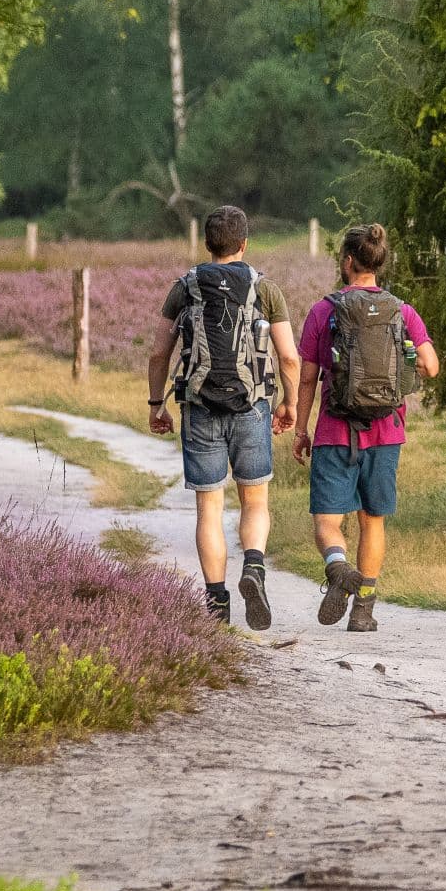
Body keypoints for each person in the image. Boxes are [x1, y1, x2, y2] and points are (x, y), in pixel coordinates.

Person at [147, 205, 298, 628]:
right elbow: (289, 356)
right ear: (244, 244)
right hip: (252, 406)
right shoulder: (265, 289)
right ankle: (253, 566)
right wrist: (290, 404)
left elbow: (160, 353)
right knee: (255, 500)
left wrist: (156, 404)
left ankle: (216, 605)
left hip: (199, 407)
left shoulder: (185, 287)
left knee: (209, 509)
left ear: (208, 244)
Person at [291, 222, 439, 634]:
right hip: (386, 431)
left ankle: (338, 568)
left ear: (348, 261)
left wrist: (300, 428)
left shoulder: (324, 310)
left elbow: (306, 377)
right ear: (380, 263)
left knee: (327, 519)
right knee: (372, 521)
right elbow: (431, 365)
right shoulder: (401, 311)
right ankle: (364, 609)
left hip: (335, 430)